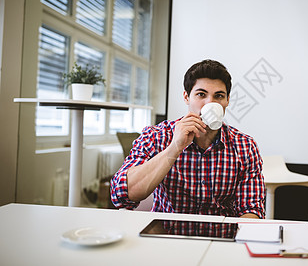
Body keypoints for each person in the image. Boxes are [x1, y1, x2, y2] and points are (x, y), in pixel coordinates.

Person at [110, 59, 266, 219]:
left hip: (222, 238)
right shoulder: (156, 136)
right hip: (168, 237)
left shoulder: (245, 146)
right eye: (201, 94)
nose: (209, 103)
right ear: (186, 97)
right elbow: (121, 196)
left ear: (227, 101)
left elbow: (252, 209)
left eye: (218, 96)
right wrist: (175, 147)